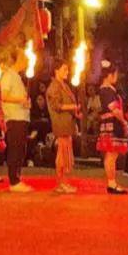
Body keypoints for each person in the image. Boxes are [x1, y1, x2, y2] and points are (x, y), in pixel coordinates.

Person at [0, 53, 33, 192]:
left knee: (20, 150)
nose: (26, 61)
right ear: (17, 60)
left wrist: (26, 103)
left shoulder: (17, 77)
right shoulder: (8, 75)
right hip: (14, 117)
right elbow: (4, 96)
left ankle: (17, 178)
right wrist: (20, 100)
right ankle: (14, 181)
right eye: (24, 58)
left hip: (22, 117)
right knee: (15, 149)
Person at [95, 61, 128, 194]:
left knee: (111, 155)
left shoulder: (107, 89)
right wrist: (124, 122)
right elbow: (115, 110)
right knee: (111, 154)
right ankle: (111, 182)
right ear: (110, 75)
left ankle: (112, 182)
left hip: (110, 123)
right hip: (112, 124)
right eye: (115, 74)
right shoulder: (107, 90)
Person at [47, 62, 78, 194]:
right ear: (56, 70)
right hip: (60, 123)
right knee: (62, 153)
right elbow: (56, 105)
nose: (67, 72)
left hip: (67, 122)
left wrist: (75, 112)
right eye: (64, 69)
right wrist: (73, 107)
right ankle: (61, 183)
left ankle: (64, 182)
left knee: (66, 153)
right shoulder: (54, 86)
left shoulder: (64, 85)